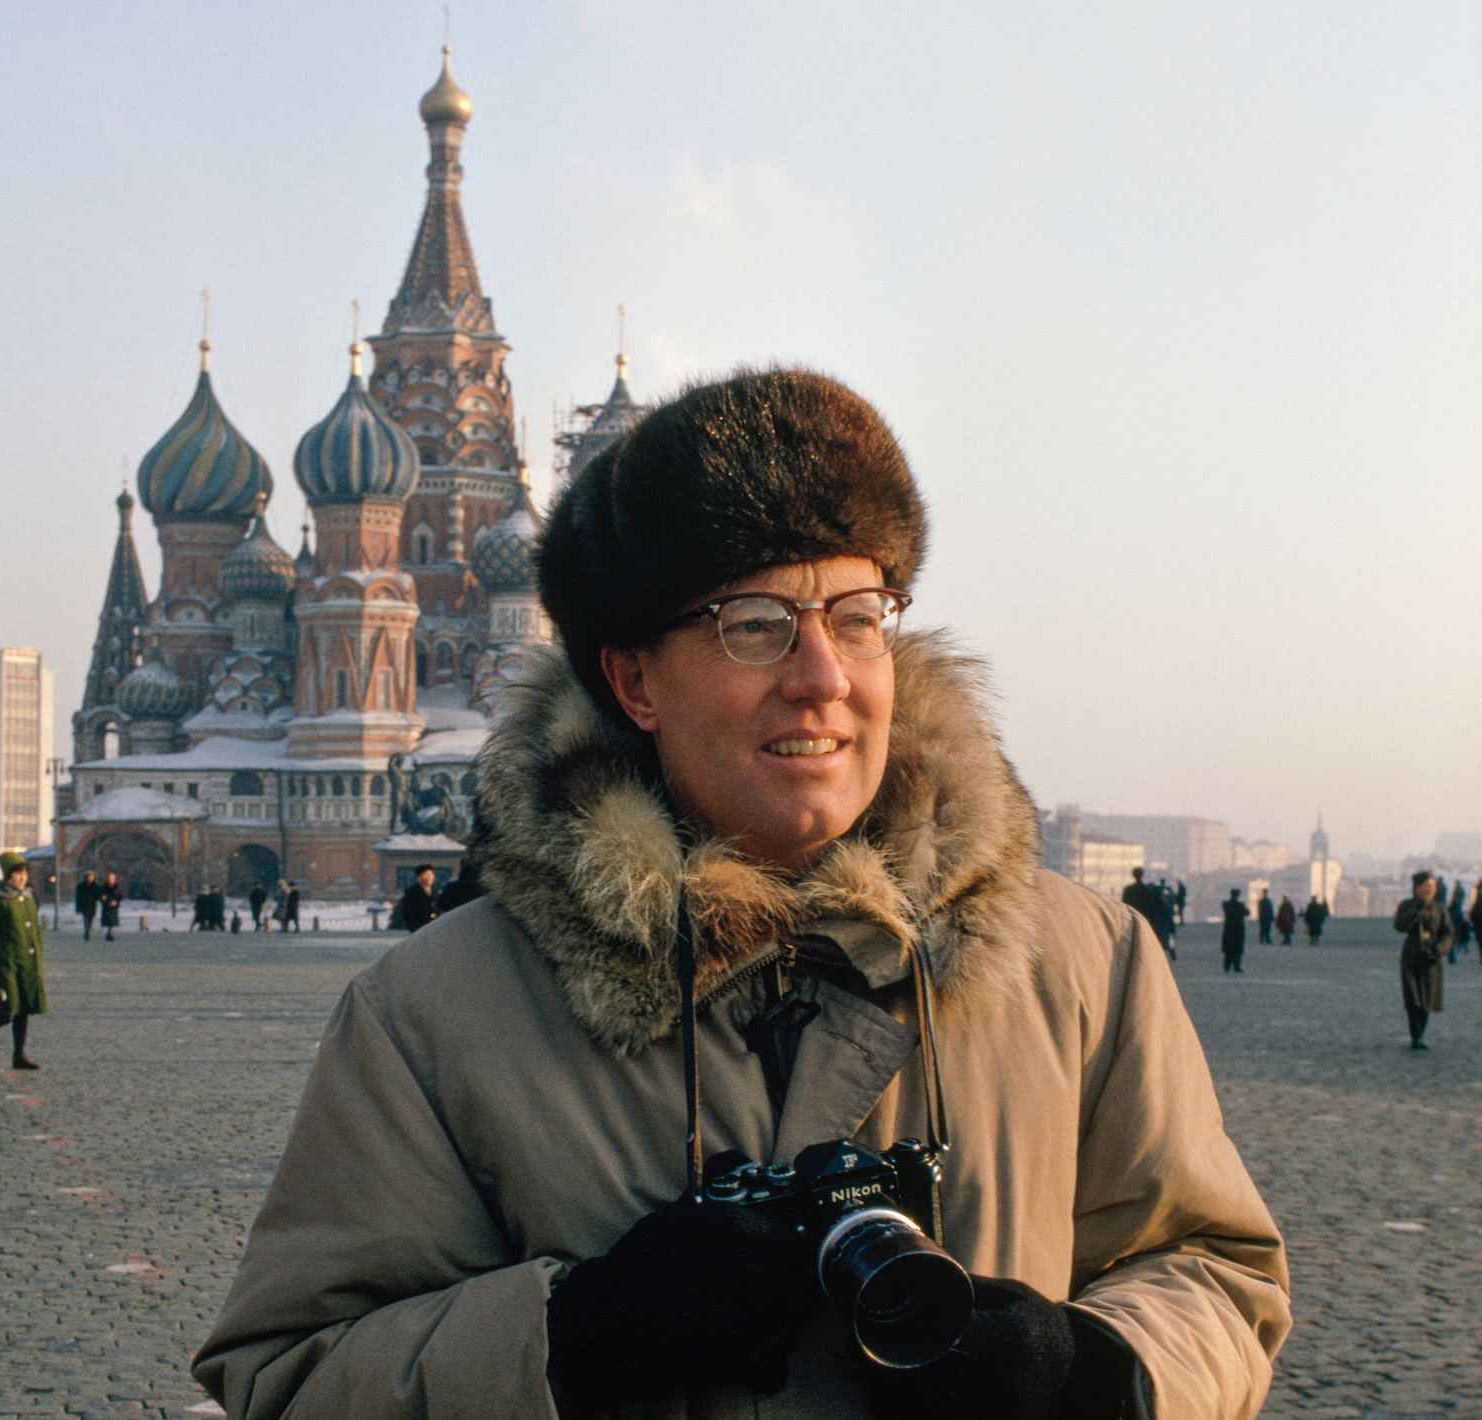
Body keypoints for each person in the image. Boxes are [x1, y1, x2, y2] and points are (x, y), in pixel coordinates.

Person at [194, 370, 1288, 1419]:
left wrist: (1095, 1373)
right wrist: (569, 1341)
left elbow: (1214, 1269)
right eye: (753, 622)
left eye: (856, 615)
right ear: (634, 680)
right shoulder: (433, 1013)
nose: (820, 674)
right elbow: (293, 1376)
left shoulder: (1081, 966)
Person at [0, 850, 47, 1069]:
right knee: (6, 1008)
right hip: (6, 964)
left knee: (23, 1008)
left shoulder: (28, 900)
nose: (22, 878)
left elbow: (35, 932)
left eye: (25, 873)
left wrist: (38, 960)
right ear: (8, 876)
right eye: (17, 874)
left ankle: (19, 1055)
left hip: (27, 964)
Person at [1394, 870, 1451, 1050]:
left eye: (1431, 887)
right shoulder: (1407, 905)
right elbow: (1399, 925)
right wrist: (1416, 909)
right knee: (1413, 999)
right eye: (1425, 887)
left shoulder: (1439, 908)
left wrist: (1440, 948)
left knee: (1427, 998)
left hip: (1431, 957)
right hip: (1411, 956)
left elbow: (1448, 932)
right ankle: (1415, 1036)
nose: (1428, 890)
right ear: (1417, 888)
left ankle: (1420, 1034)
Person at [396, 864, 438, 933]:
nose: (429, 877)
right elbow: (408, 912)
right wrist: (414, 928)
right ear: (419, 877)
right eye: (426, 875)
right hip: (418, 930)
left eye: (431, 874)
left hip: (434, 930)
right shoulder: (411, 892)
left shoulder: (435, 893)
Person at [1221, 888, 1250, 972]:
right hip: (1238, 929)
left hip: (1229, 929)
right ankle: (1236, 966)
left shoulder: (1226, 904)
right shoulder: (1240, 905)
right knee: (1237, 949)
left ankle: (1227, 966)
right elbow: (1248, 913)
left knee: (1228, 949)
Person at [74, 871, 99, 941]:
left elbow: (98, 895)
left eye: (91, 877)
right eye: (89, 877)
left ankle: (89, 929)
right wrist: (78, 907)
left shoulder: (95, 886)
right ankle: (87, 931)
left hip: (92, 905)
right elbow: (78, 897)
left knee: (91, 918)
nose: (90, 879)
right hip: (84, 904)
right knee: (86, 918)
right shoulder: (81, 886)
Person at [99, 871, 123, 942]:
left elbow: (120, 896)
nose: (110, 879)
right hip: (106, 906)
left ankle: (110, 933)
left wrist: (116, 902)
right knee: (108, 920)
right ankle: (109, 933)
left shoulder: (117, 887)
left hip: (114, 906)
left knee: (112, 920)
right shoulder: (104, 887)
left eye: (112, 878)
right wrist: (104, 900)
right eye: (109, 878)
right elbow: (101, 896)